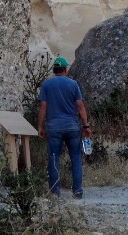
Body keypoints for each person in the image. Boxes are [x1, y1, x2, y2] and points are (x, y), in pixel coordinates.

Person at [37, 56, 91, 198]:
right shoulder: (73, 84)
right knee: (75, 157)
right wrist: (86, 125)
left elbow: (43, 106)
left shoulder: (46, 85)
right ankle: (77, 191)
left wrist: (40, 126)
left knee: (54, 158)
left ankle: (55, 192)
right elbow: (80, 106)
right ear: (65, 70)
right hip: (72, 126)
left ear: (54, 70)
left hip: (54, 127)